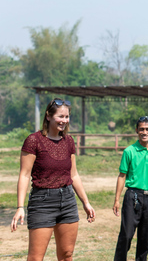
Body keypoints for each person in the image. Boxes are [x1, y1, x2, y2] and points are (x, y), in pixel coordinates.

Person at [10, 98, 95, 261]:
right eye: (60, 116)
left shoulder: (69, 141)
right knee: (35, 258)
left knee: (67, 255)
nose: (64, 121)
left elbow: (74, 174)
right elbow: (24, 175)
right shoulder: (33, 140)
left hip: (68, 201)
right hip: (42, 202)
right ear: (48, 116)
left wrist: (86, 202)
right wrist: (20, 207)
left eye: (67, 117)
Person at [113, 116, 148, 261]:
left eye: (147, 129)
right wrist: (117, 200)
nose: (145, 132)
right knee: (126, 235)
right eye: (142, 129)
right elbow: (122, 176)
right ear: (137, 130)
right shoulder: (129, 151)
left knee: (146, 237)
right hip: (133, 197)